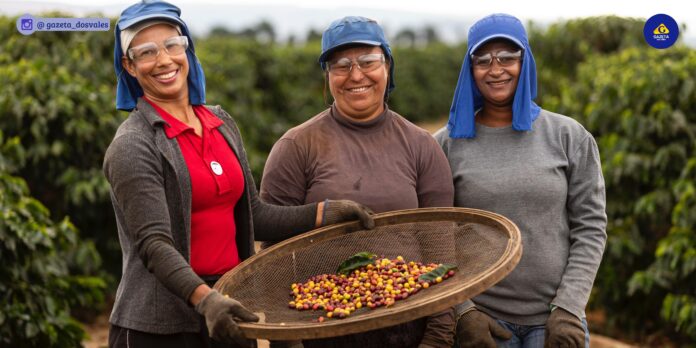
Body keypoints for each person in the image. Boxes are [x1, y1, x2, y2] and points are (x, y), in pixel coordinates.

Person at [104, 2, 374, 347]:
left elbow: (255, 215)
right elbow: (154, 245)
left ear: (186, 47)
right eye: (146, 52)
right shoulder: (134, 144)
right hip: (164, 328)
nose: (164, 60)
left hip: (229, 311)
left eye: (172, 44)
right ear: (129, 65)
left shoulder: (220, 123)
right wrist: (205, 299)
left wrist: (327, 212)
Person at [259, 16, 456, 348]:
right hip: (323, 327)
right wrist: (286, 338)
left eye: (368, 61)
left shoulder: (421, 146)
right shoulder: (297, 147)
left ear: (387, 67)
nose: (356, 75)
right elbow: (272, 255)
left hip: (409, 325)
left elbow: (440, 249)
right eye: (341, 65)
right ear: (327, 76)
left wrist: (438, 336)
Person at [434, 13, 607, 348]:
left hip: (554, 318)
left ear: (525, 61)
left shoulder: (568, 136)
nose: (495, 68)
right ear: (470, 70)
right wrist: (463, 311)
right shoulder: (445, 145)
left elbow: (590, 226)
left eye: (508, 56)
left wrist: (570, 308)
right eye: (482, 59)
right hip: (485, 323)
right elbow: (434, 235)